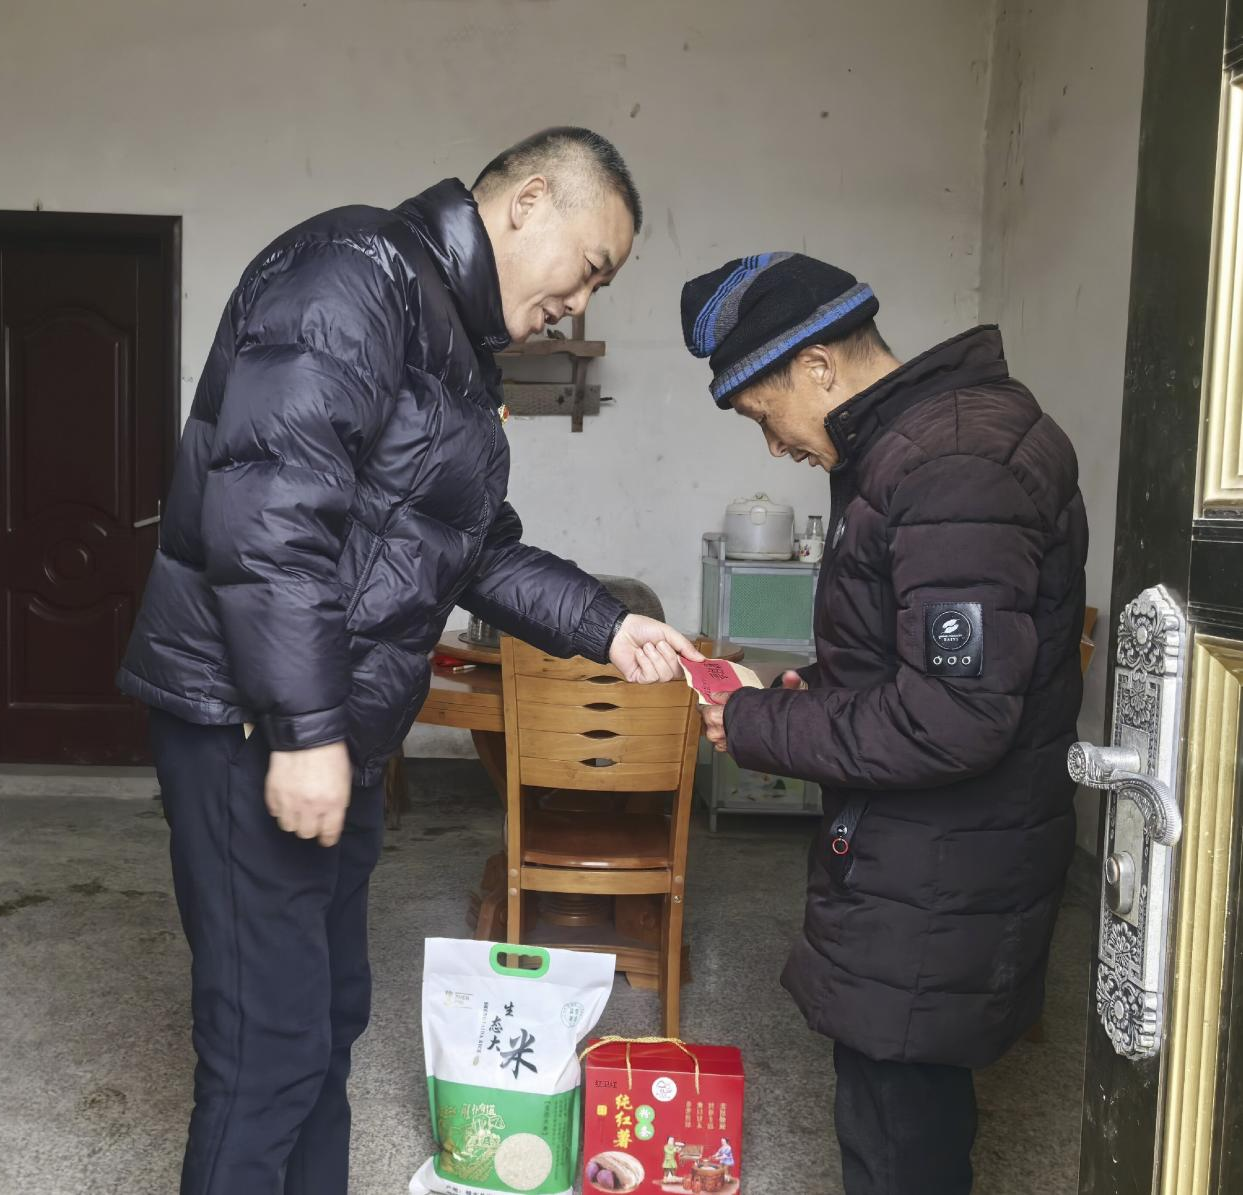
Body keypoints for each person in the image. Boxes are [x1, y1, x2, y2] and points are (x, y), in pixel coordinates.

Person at [117, 127, 701, 1195]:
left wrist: (608, 626)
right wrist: (303, 730)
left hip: (337, 727)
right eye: (589, 268)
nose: (580, 301)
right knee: (265, 1047)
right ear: (528, 201)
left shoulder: (456, 352)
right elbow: (272, 518)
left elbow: (475, 548)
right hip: (251, 724)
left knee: (328, 1017)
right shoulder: (352, 277)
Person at [680, 252, 1087, 1195]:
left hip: (936, 868)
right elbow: (921, 658)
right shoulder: (923, 444)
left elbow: (954, 716)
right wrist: (810, 690)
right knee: (900, 1112)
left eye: (763, 415)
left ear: (818, 366)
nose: (773, 447)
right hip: (928, 860)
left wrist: (755, 726)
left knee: (898, 1137)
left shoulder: (952, 467)